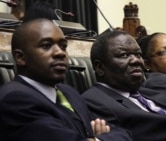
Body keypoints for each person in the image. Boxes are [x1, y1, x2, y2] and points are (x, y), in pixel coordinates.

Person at [0, 18, 132, 141]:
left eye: (63, 46)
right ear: (20, 58)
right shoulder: (14, 99)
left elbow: (122, 134)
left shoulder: (68, 92)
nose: (60, 53)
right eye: (46, 46)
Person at [81, 29, 166, 141]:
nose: (136, 60)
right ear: (99, 67)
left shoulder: (152, 92)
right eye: (124, 55)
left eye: (138, 54)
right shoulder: (95, 102)